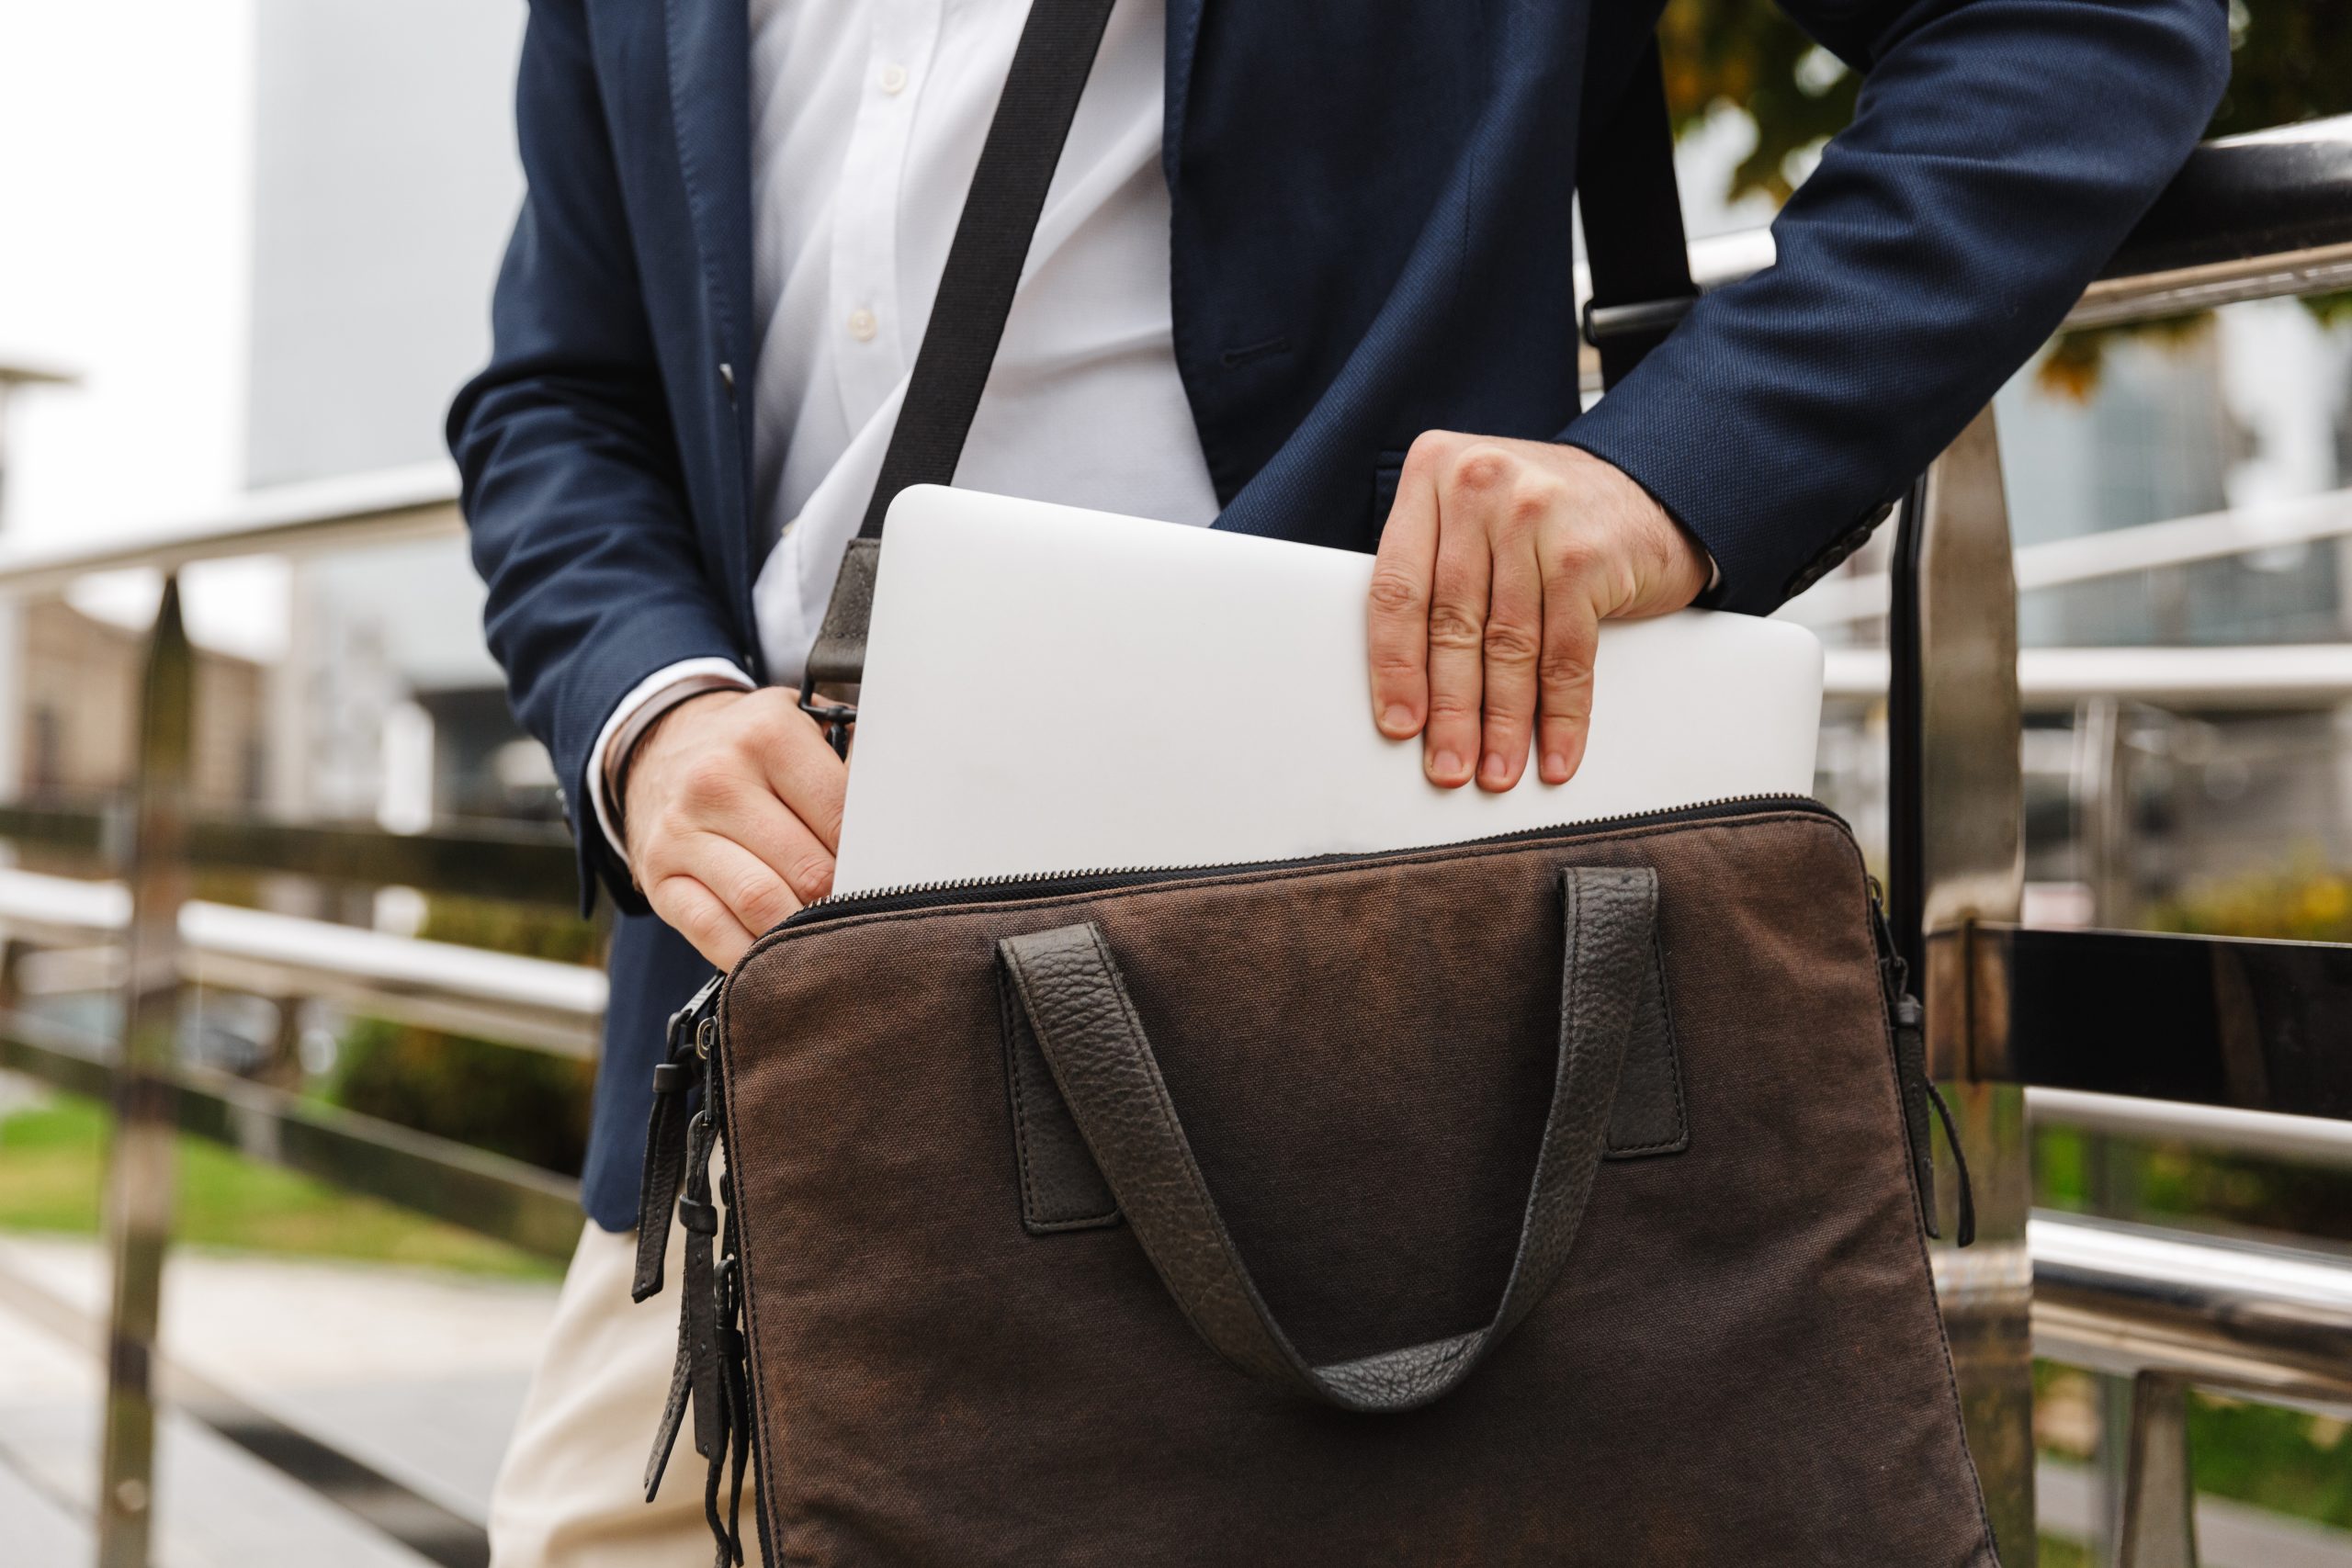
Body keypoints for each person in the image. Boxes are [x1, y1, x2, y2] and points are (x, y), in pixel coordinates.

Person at [448, 0, 2229, 1560]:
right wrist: (649, 713)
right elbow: (558, 393)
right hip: (768, 1041)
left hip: (1359, 1051)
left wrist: (1678, 469)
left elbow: (2081, 23)